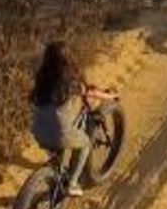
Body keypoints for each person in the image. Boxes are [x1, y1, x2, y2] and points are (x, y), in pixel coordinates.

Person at [29, 41, 114, 196]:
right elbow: (91, 93)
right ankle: (72, 184)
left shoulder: (41, 78)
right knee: (85, 144)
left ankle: (54, 172)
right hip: (58, 132)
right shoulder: (70, 82)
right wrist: (110, 96)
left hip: (37, 129)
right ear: (68, 59)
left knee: (56, 137)